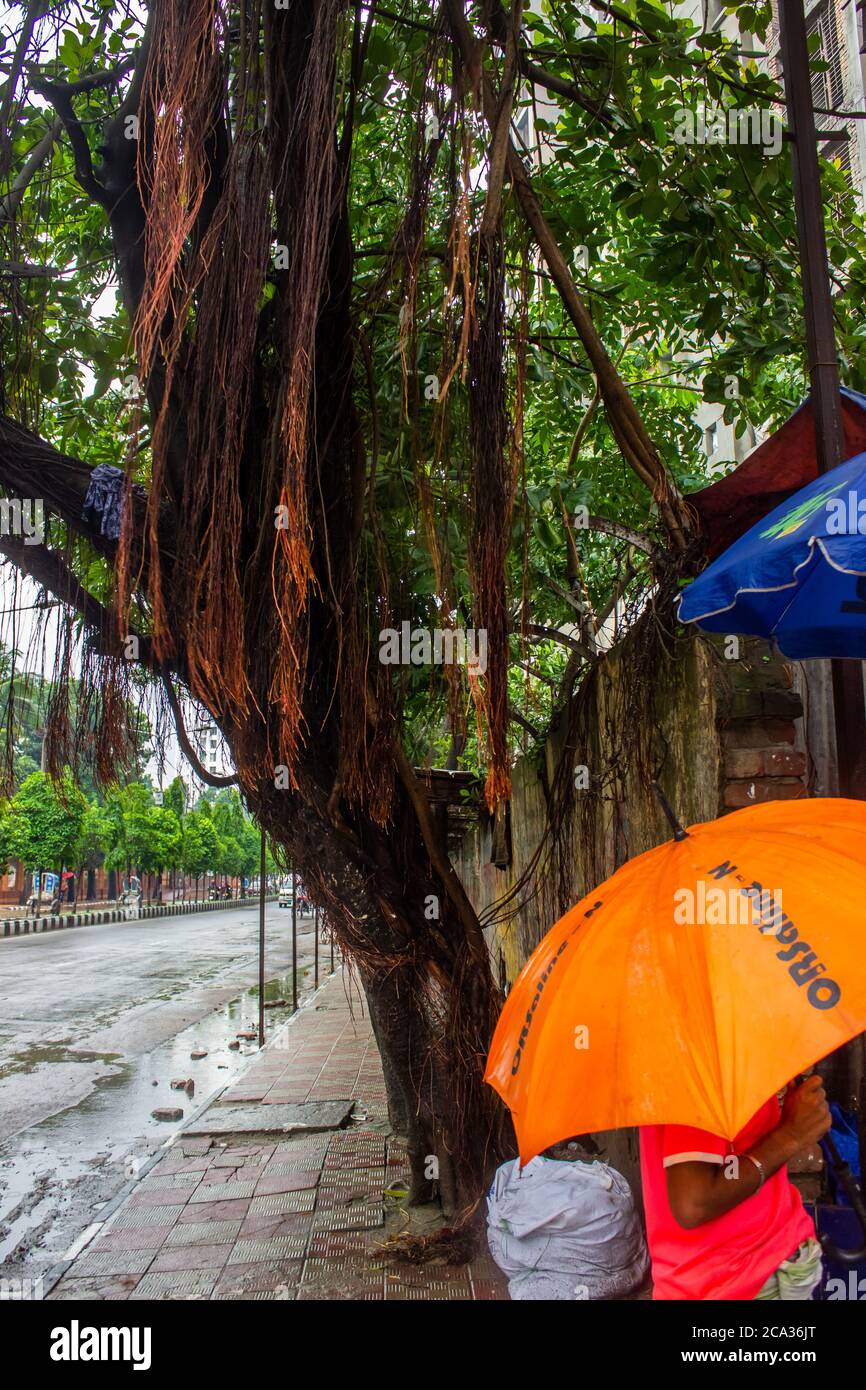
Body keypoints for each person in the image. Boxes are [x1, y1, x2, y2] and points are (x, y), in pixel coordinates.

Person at [640, 1074, 831, 1300]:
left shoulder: (726, 1060)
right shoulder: (700, 1066)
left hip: (756, 1264)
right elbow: (694, 1202)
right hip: (737, 1280)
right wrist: (790, 1136)